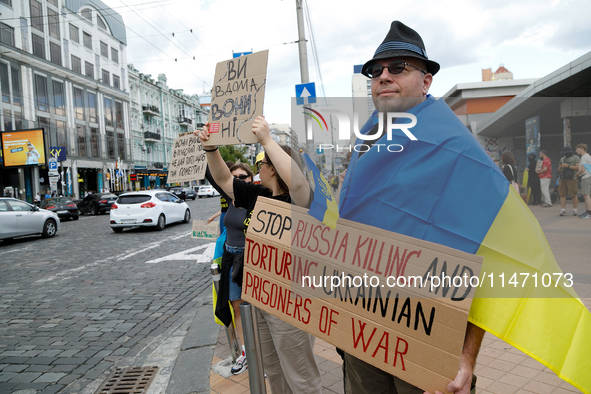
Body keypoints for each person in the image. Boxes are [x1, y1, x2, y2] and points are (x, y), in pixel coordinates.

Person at [340, 21, 484, 394]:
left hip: (430, 328)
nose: (384, 76)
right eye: (376, 70)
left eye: (398, 67)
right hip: (364, 329)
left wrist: (465, 356)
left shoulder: (454, 146)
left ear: (426, 81)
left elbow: (490, 252)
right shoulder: (366, 143)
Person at [196, 116, 322, 393]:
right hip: (260, 295)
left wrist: (267, 139)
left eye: (261, 164)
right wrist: (211, 149)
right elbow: (222, 179)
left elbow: (298, 183)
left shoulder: (300, 200)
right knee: (274, 371)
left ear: (275, 168)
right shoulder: (258, 195)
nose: (257, 170)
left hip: (291, 300)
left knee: (300, 375)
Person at [207, 162, 253, 375]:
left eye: (243, 177)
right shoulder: (229, 199)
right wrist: (207, 148)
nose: (238, 181)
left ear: (251, 179)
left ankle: (262, 353)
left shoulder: (259, 199)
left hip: (253, 261)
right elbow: (212, 174)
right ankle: (246, 354)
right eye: (234, 177)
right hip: (231, 260)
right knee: (237, 309)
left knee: (256, 311)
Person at [557, 145, 580, 216]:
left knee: (573, 194)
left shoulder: (575, 158)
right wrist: (560, 166)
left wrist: (568, 166)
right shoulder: (562, 159)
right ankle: (563, 210)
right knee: (562, 194)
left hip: (572, 178)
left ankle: (575, 209)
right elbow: (559, 169)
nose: (565, 154)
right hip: (563, 178)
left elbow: (578, 167)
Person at [575, 143, 591, 219]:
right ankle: (588, 211)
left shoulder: (584, 157)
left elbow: (582, 169)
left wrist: (577, 174)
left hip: (585, 177)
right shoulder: (588, 156)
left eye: (577, 149)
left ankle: (589, 212)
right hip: (588, 176)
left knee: (586, 195)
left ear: (582, 149)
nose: (576, 151)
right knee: (587, 195)